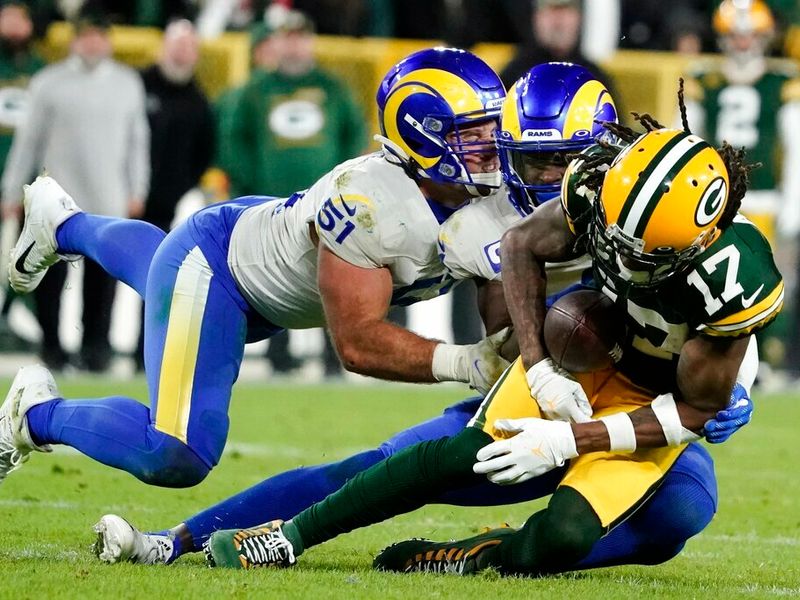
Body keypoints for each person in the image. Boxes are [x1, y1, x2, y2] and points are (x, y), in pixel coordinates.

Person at [95, 64, 751, 569]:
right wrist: (517, 355)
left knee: (682, 511)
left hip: (635, 407)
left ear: (601, 151)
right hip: (537, 396)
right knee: (378, 471)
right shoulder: (494, 207)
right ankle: (178, 540)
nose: (538, 177)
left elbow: (723, 306)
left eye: (558, 159)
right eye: (525, 157)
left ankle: (482, 555)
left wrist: (729, 385)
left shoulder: (663, 200)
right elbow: (503, 321)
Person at [0, 47, 512, 490]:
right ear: (422, 139)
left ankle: (65, 224)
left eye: (495, 128)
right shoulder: (374, 206)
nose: (493, 146)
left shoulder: (489, 193)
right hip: (221, 272)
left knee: (159, 273)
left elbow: (504, 305)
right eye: (475, 134)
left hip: (259, 252)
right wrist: (467, 363)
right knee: (179, 453)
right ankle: (35, 414)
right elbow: (357, 343)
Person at [0, 7, 150, 372]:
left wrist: (137, 187)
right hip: (56, 198)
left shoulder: (127, 83)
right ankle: (52, 345)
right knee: (50, 277)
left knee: (102, 281)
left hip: (107, 195)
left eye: (100, 35)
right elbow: (28, 142)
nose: (93, 42)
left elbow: (137, 141)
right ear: (75, 40)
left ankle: (95, 346)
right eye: (86, 35)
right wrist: (10, 192)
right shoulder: (49, 82)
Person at [222, 9, 371, 376]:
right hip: (271, 205)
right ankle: (278, 355)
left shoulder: (332, 88)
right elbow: (232, 139)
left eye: (300, 37)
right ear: (276, 42)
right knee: (272, 278)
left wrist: (345, 181)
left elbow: (355, 133)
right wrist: (250, 180)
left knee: (333, 280)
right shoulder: (256, 90)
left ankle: (334, 355)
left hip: (328, 208)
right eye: (287, 37)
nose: (294, 44)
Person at [133, 18, 215, 371]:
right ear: (163, 46)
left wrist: (180, 189)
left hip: (166, 203)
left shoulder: (198, 100)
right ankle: (91, 343)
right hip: (124, 196)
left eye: (189, 45)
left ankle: (143, 350)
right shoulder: (137, 86)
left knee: (156, 278)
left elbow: (204, 153)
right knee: (101, 273)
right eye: (177, 43)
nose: (182, 52)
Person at [0, 0, 44, 352]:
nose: (14, 27)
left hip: (29, 185)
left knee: (25, 258)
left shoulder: (41, 71)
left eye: (20, 20)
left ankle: (8, 316)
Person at [499, 0, 613, 92]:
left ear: (579, 18)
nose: (558, 22)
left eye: (565, 12)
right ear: (535, 18)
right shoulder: (514, 75)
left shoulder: (594, 76)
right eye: (551, 11)